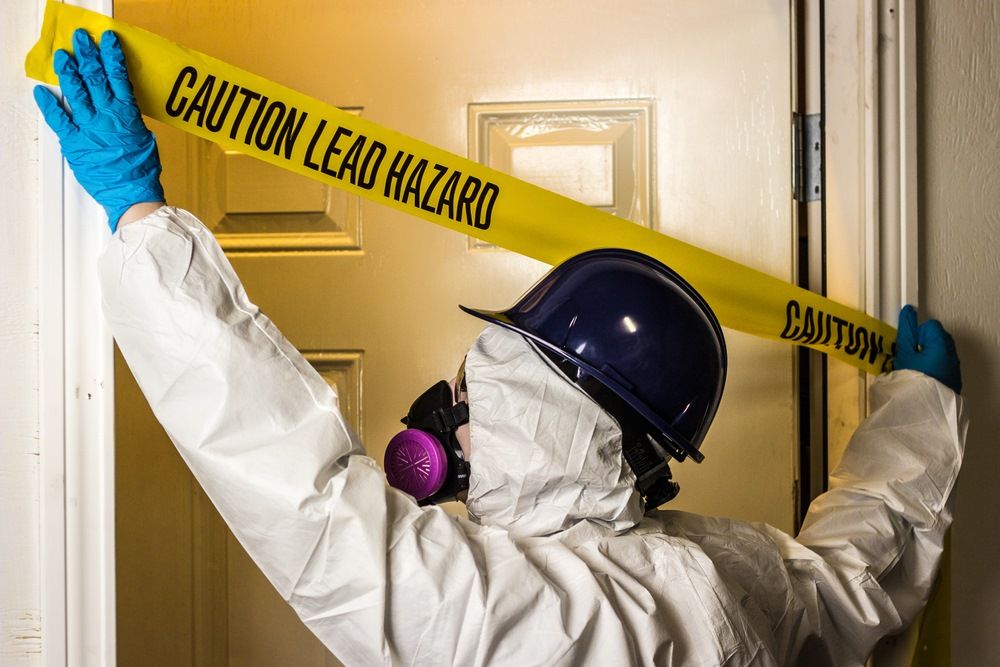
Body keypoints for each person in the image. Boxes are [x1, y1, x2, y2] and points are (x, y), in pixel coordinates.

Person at [35, 29, 967, 666]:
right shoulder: (725, 571)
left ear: (547, 412)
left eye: (472, 386)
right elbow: (854, 579)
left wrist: (145, 222)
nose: (440, 406)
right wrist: (920, 410)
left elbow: (312, 508)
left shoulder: (530, 617)